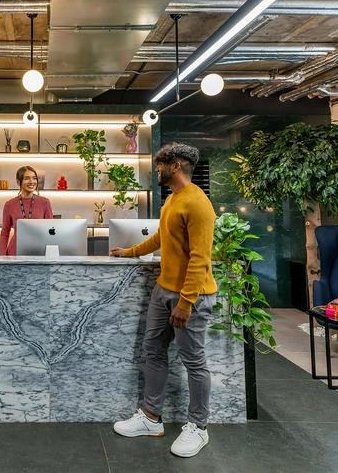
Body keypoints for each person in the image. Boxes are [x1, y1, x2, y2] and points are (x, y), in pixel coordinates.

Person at [109, 142, 217, 458]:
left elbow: (200, 258)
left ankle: (199, 427)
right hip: (163, 291)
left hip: (190, 297)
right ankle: (150, 418)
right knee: (152, 350)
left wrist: (185, 303)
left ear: (176, 165)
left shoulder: (198, 204)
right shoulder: (172, 200)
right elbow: (161, 238)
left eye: (161, 165)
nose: (157, 170)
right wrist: (129, 253)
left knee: (194, 362)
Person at [0, 166, 53, 256]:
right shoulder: (9, 204)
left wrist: (50, 254)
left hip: (39, 252)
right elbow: (4, 233)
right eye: (27, 178)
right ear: (18, 181)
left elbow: (51, 230)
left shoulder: (45, 202)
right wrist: (2, 256)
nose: (32, 182)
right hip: (14, 253)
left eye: (34, 178)